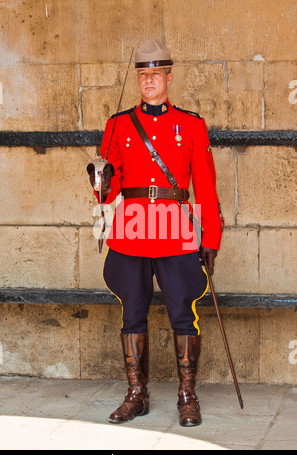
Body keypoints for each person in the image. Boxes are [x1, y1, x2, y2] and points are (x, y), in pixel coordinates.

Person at [88, 38, 224, 427]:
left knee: (184, 312)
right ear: (138, 79)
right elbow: (109, 191)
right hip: (132, 228)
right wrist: (100, 180)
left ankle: (186, 394)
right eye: (143, 75)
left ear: (167, 77)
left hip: (176, 226)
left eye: (156, 75)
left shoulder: (191, 125)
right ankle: (137, 394)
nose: (149, 81)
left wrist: (210, 239)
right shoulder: (117, 125)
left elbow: (206, 186)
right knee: (132, 313)